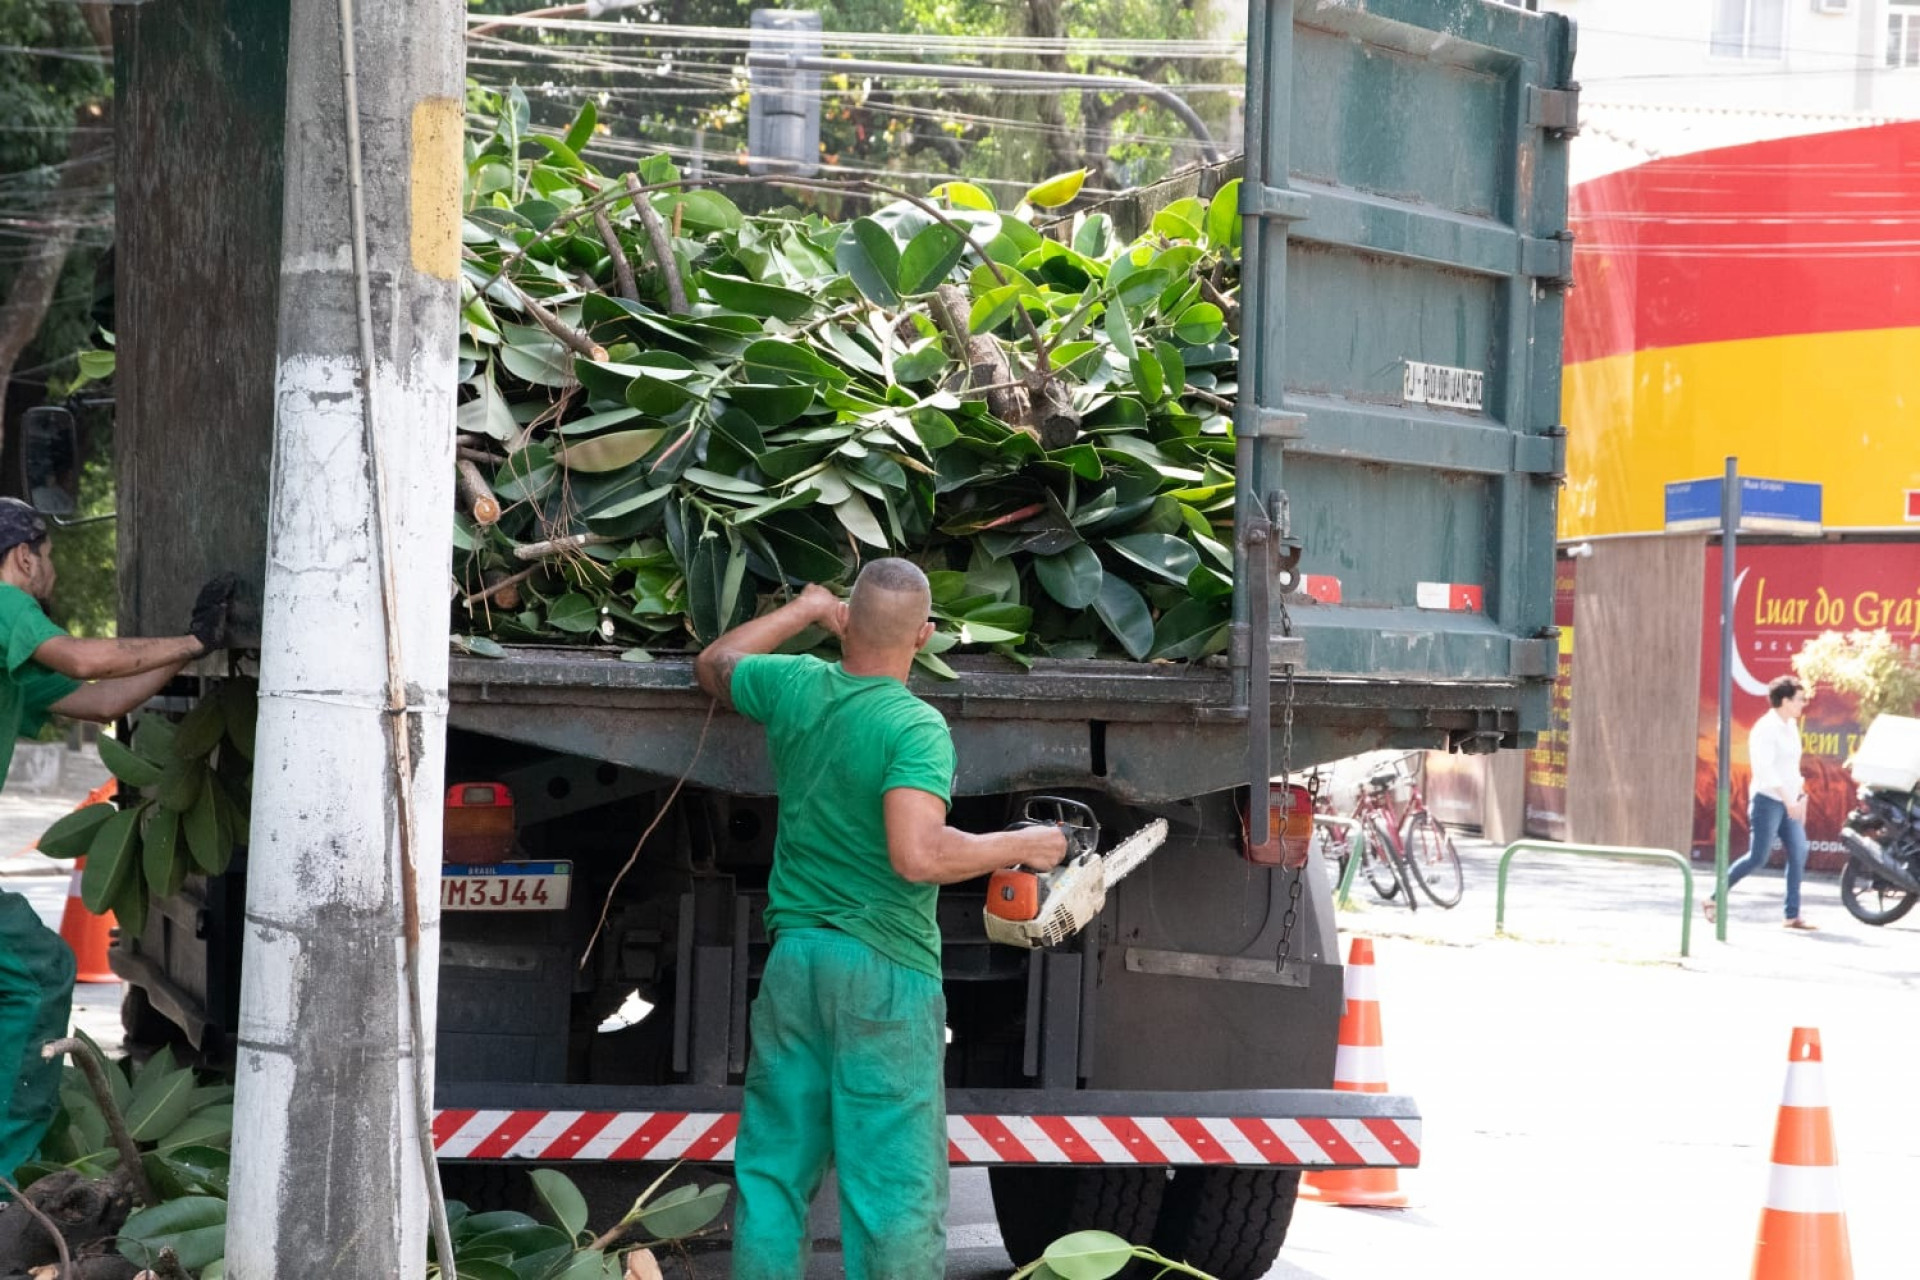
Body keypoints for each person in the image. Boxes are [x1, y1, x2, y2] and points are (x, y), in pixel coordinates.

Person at [695, 559, 1067, 1279]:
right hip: (885, 975)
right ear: (924, 636)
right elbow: (918, 854)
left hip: (796, 962)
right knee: (891, 1191)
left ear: (846, 623)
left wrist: (804, 606)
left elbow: (714, 661)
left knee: (772, 1176)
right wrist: (1023, 845)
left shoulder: (795, 687)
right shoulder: (913, 726)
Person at [0, 498, 236, 1188]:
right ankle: (4, 1178)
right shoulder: (4, 603)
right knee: (37, 973)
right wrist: (194, 641)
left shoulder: (12, 654)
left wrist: (203, 649)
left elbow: (103, 701)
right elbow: (81, 659)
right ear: (24, 556)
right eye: (50, 559)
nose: (50, 574)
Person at [1708, 675, 1816, 931]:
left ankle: (1791, 915)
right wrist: (1788, 799)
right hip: (1768, 801)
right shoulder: (1765, 728)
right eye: (1800, 699)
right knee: (1758, 857)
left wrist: (1800, 796)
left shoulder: (1790, 726)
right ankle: (1713, 898)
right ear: (1785, 700)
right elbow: (1765, 769)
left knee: (1799, 851)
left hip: (1789, 800)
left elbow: (1790, 767)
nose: (1804, 703)